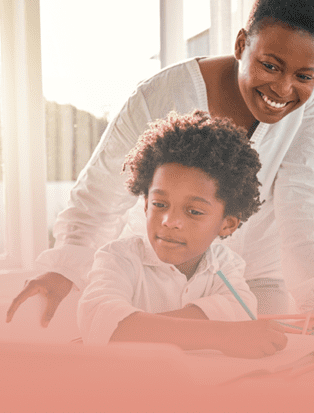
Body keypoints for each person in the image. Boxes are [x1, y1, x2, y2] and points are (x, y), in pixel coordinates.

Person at [7, 0, 314, 326]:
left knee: (265, 361)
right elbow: (100, 194)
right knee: (163, 358)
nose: (283, 88)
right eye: (270, 66)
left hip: (258, 269)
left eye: (302, 75)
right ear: (242, 44)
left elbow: (307, 193)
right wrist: (62, 267)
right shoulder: (162, 96)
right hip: (161, 266)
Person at [78, 110, 287, 358]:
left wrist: (127, 329)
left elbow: (240, 313)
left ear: (227, 224)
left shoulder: (225, 267)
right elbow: (106, 326)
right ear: (145, 205)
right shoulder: (118, 259)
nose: (170, 221)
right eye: (160, 204)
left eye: (194, 211)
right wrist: (221, 334)